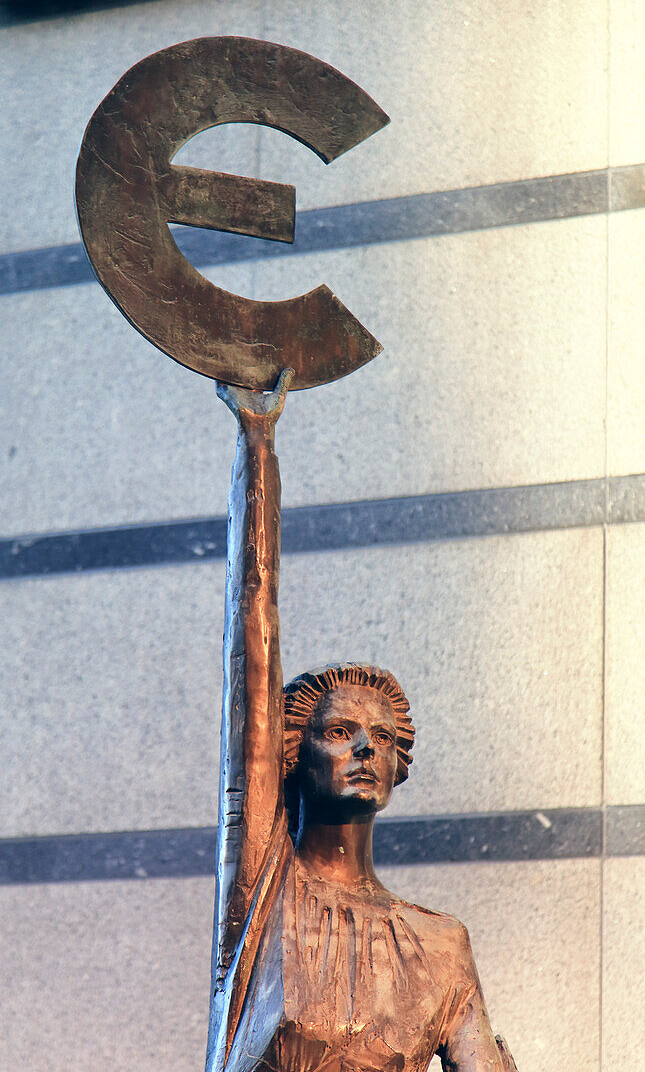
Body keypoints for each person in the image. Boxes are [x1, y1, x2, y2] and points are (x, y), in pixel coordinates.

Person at [206, 372, 517, 1072]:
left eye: (381, 738)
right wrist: (258, 443)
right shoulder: (264, 890)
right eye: (339, 731)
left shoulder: (441, 945)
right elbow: (251, 640)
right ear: (295, 752)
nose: (365, 748)